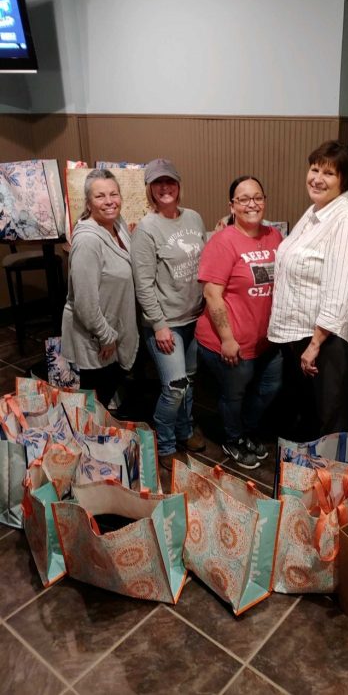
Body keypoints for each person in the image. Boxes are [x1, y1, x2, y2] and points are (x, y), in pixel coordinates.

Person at [267, 140, 348, 440]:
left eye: (328, 173)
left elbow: (341, 293)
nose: (317, 178)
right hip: (306, 334)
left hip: (328, 341)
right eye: (315, 169)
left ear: (343, 180)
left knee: (330, 426)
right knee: (309, 419)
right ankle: (306, 470)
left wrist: (314, 345)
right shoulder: (317, 211)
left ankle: (329, 472)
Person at [196, 176, 283, 469]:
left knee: (271, 386)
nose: (252, 204)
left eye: (257, 197)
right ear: (232, 206)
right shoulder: (222, 242)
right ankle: (233, 438)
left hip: (266, 340)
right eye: (243, 199)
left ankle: (244, 430)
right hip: (230, 341)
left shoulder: (274, 236)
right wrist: (227, 339)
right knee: (234, 395)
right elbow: (212, 294)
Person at [131, 159, 207, 469]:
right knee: (174, 386)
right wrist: (159, 326)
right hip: (166, 324)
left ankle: (185, 430)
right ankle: (164, 443)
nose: (165, 187)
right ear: (150, 189)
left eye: (170, 181)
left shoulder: (194, 218)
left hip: (195, 317)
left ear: (178, 185)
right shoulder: (146, 229)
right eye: (158, 183)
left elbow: (203, 258)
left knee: (188, 381)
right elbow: (143, 284)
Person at [61, 169, 138, 407]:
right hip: (95, 339)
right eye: (100, 196)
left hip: (112, 330)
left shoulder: (118, 225)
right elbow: (85, 304)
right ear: (88, 203)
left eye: (113, 194)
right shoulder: (88, 241)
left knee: (105, 395)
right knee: (93, 406)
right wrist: (106, 337)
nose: (109, 201)